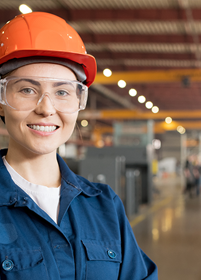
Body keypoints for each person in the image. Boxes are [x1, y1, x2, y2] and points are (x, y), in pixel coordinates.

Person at [0, 12, 158, 279]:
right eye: (27, 90)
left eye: (62, 92)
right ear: (2, 99)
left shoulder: (105, 206)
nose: (46, 109)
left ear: (78, 102)